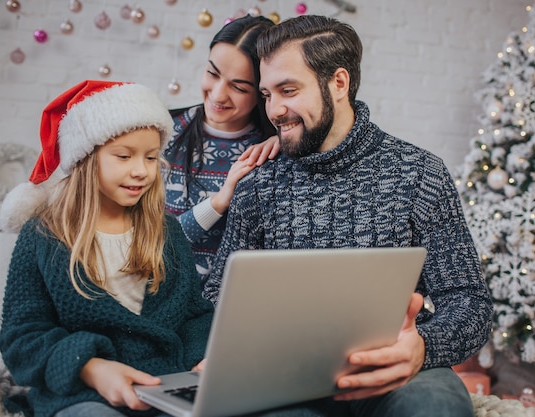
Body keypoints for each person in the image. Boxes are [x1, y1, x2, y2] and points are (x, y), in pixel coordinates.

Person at [203, 15, 493, 417]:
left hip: (392, 371)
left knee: (435, 406)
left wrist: (423, 347)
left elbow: (469, 302)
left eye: (288, 90)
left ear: (338, 83)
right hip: (282, 376)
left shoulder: (418, 173)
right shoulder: (258, 185)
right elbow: (218, 293)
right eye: (267, 94)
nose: (274, 110)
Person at [0, 80, 214, 417]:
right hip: (80, 392)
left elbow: (195, 316)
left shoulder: (166, 233)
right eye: (124, 156)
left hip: (163, 386)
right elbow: (22, 337)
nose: (141, 171)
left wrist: (204, 357)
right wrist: (91, 368)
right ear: (85, 158)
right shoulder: (43, 235)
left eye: (151, 157)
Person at [164, 15, 279, 283]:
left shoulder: (269, 151)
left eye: (238, 87)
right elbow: (151, 243)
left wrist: (288, 139)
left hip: (232, 306)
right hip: (161, 294)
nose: (217, 95)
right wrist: (218, 202)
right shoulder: (162, 131)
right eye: (212, 73)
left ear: (263, 92)